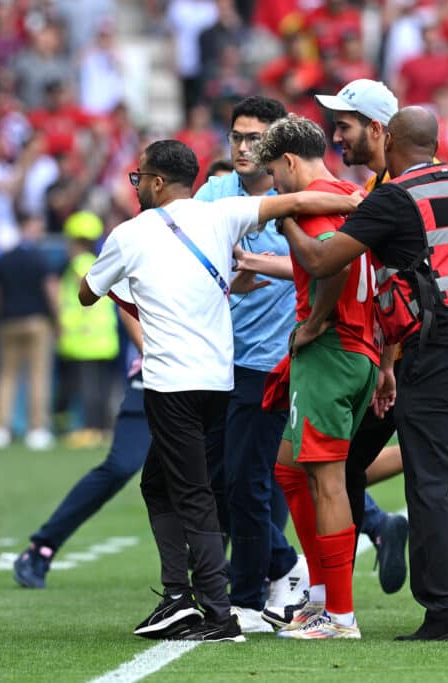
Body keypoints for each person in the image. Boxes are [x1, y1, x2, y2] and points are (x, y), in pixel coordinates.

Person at [276, 106, 448, 641]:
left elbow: (321, 260)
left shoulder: (395, 195)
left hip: (440, 343)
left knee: (430, 479)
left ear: (390, 139)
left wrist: (283, 214)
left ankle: (446, 611)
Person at [78, 139, 358, 642]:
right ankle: (177, 598)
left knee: (191, 492)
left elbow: (86, 293)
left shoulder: (129, 233)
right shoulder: (221, 214)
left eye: (138, 177)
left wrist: (120, 277)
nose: (136, 184)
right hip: (219, 380)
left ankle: (217, 612)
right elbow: (297, 202)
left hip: (171, 382)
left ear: (157, 182)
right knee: (159, 483)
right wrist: (357, 203)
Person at [251, 115, 381, 639]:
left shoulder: (314, 207)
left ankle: (340, 617)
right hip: (359, 350)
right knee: (289, 470)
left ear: (287, 161)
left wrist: (315, 322)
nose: (275, 188)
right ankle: (324, 598)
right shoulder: (346, 191)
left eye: (273, 174)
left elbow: (337, 266)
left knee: (327, 482)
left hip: (332, 350)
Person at [193, 96, 308, 631]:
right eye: (236, 136)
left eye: (254, 138)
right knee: (218, 479)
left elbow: (320, 260)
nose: (242, 147)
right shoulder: (216, 193)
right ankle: (282, 566)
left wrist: (261, 266)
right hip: (215, 358)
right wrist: (228, 280)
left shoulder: (298, 199)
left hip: (268, 361)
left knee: (248, 479)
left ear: (277, 144)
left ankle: (246, 597)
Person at [315, 77, 411, 594]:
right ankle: (335, 596)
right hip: (398, 355)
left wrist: (389, 365)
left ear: (377, 130)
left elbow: (395, 283)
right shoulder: (375, 192)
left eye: (345, 125)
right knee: (347, 465)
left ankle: (334, 600)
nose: (336, 137)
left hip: (410, 356)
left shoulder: (392, 194)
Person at [13, 306, 149, 588]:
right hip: (155, 374)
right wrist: (152, 352)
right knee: (121, 465)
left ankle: (250, 570)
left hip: (216, 376)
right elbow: (123, 299)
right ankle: (43, 546)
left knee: (220, 470)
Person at [0, 212, 57, 451]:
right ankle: (36, 429)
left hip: (8, 321)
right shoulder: (40, 258)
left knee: (6, 377)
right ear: (28, 226)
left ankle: (0, 429)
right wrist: (57, 320)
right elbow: (51, 291)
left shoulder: (4, 258)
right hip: (36, 322)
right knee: (38, 376)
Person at [56, 210, 118, 449]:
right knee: (101, 387)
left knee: (88, 387)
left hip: (84, 337)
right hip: (103, 337)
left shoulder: (79, 263)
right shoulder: (98, 262)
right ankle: (101, 428)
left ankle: (90, 429)